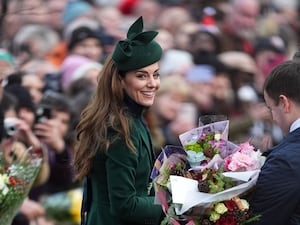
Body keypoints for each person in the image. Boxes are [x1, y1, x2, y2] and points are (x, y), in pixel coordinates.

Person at [73, 16, 164, 225]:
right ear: (121, 81)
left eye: (156, 75)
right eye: (142, 76)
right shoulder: (119, 128)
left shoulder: (129, 118)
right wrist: (174, 203)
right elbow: (125, 205)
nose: (153, 84)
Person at [249, 56, 300, 224]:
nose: (274, 119)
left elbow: (260, 220)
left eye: (271, 108)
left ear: (284, 103)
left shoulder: (285, 161)